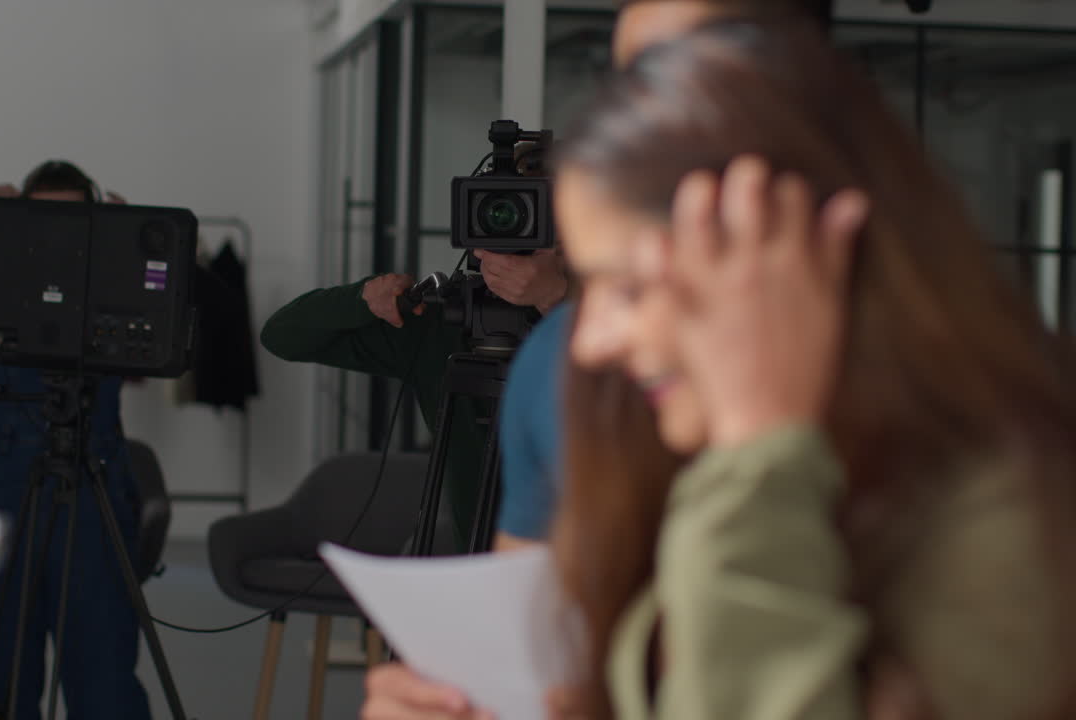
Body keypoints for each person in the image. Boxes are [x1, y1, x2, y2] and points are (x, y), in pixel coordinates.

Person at [553, 19, 1076, 720]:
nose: (590, 344)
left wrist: (758, 449)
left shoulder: (1014, 525)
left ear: (786, 259)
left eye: (629, 291)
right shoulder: (703, 457)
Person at [363, 2, 833, 716]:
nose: (596, 337)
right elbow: (539, 654)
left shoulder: (978, 460)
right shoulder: (555, 361)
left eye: (636, 284)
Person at [260, 150, 568, 545]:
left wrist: (557, 301)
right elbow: (283, 335)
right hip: (480, 565)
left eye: (542, 215)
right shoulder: (442, 324)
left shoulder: (614, 319)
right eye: (504, 209)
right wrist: (362, 299)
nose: (521, 228)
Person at [0, 161, 152, 720]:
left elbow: (200, 302)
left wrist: (126, 243)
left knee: (103, 678)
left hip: (91, 481)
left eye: (72, 220)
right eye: (43, 219)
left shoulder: (112, 278)